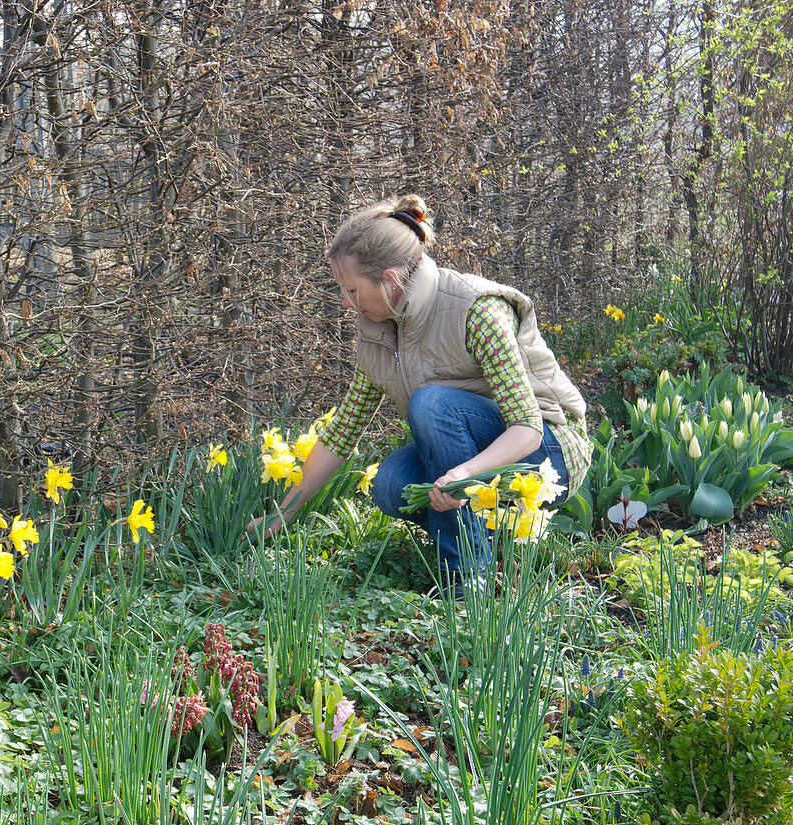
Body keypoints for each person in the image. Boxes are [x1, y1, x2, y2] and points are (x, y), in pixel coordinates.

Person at [248, 194, 592, 597]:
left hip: (549, 451)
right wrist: (284, 512)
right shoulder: (375, 329)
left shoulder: (476, 311)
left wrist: (465, 475)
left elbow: (528, 427)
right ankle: (482, 534)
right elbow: (344, 431)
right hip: (479, 456)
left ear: (390, 280)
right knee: (390, 484)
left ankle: (466, 578)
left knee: (430, 405)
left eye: (353, 290)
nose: (345, 303)